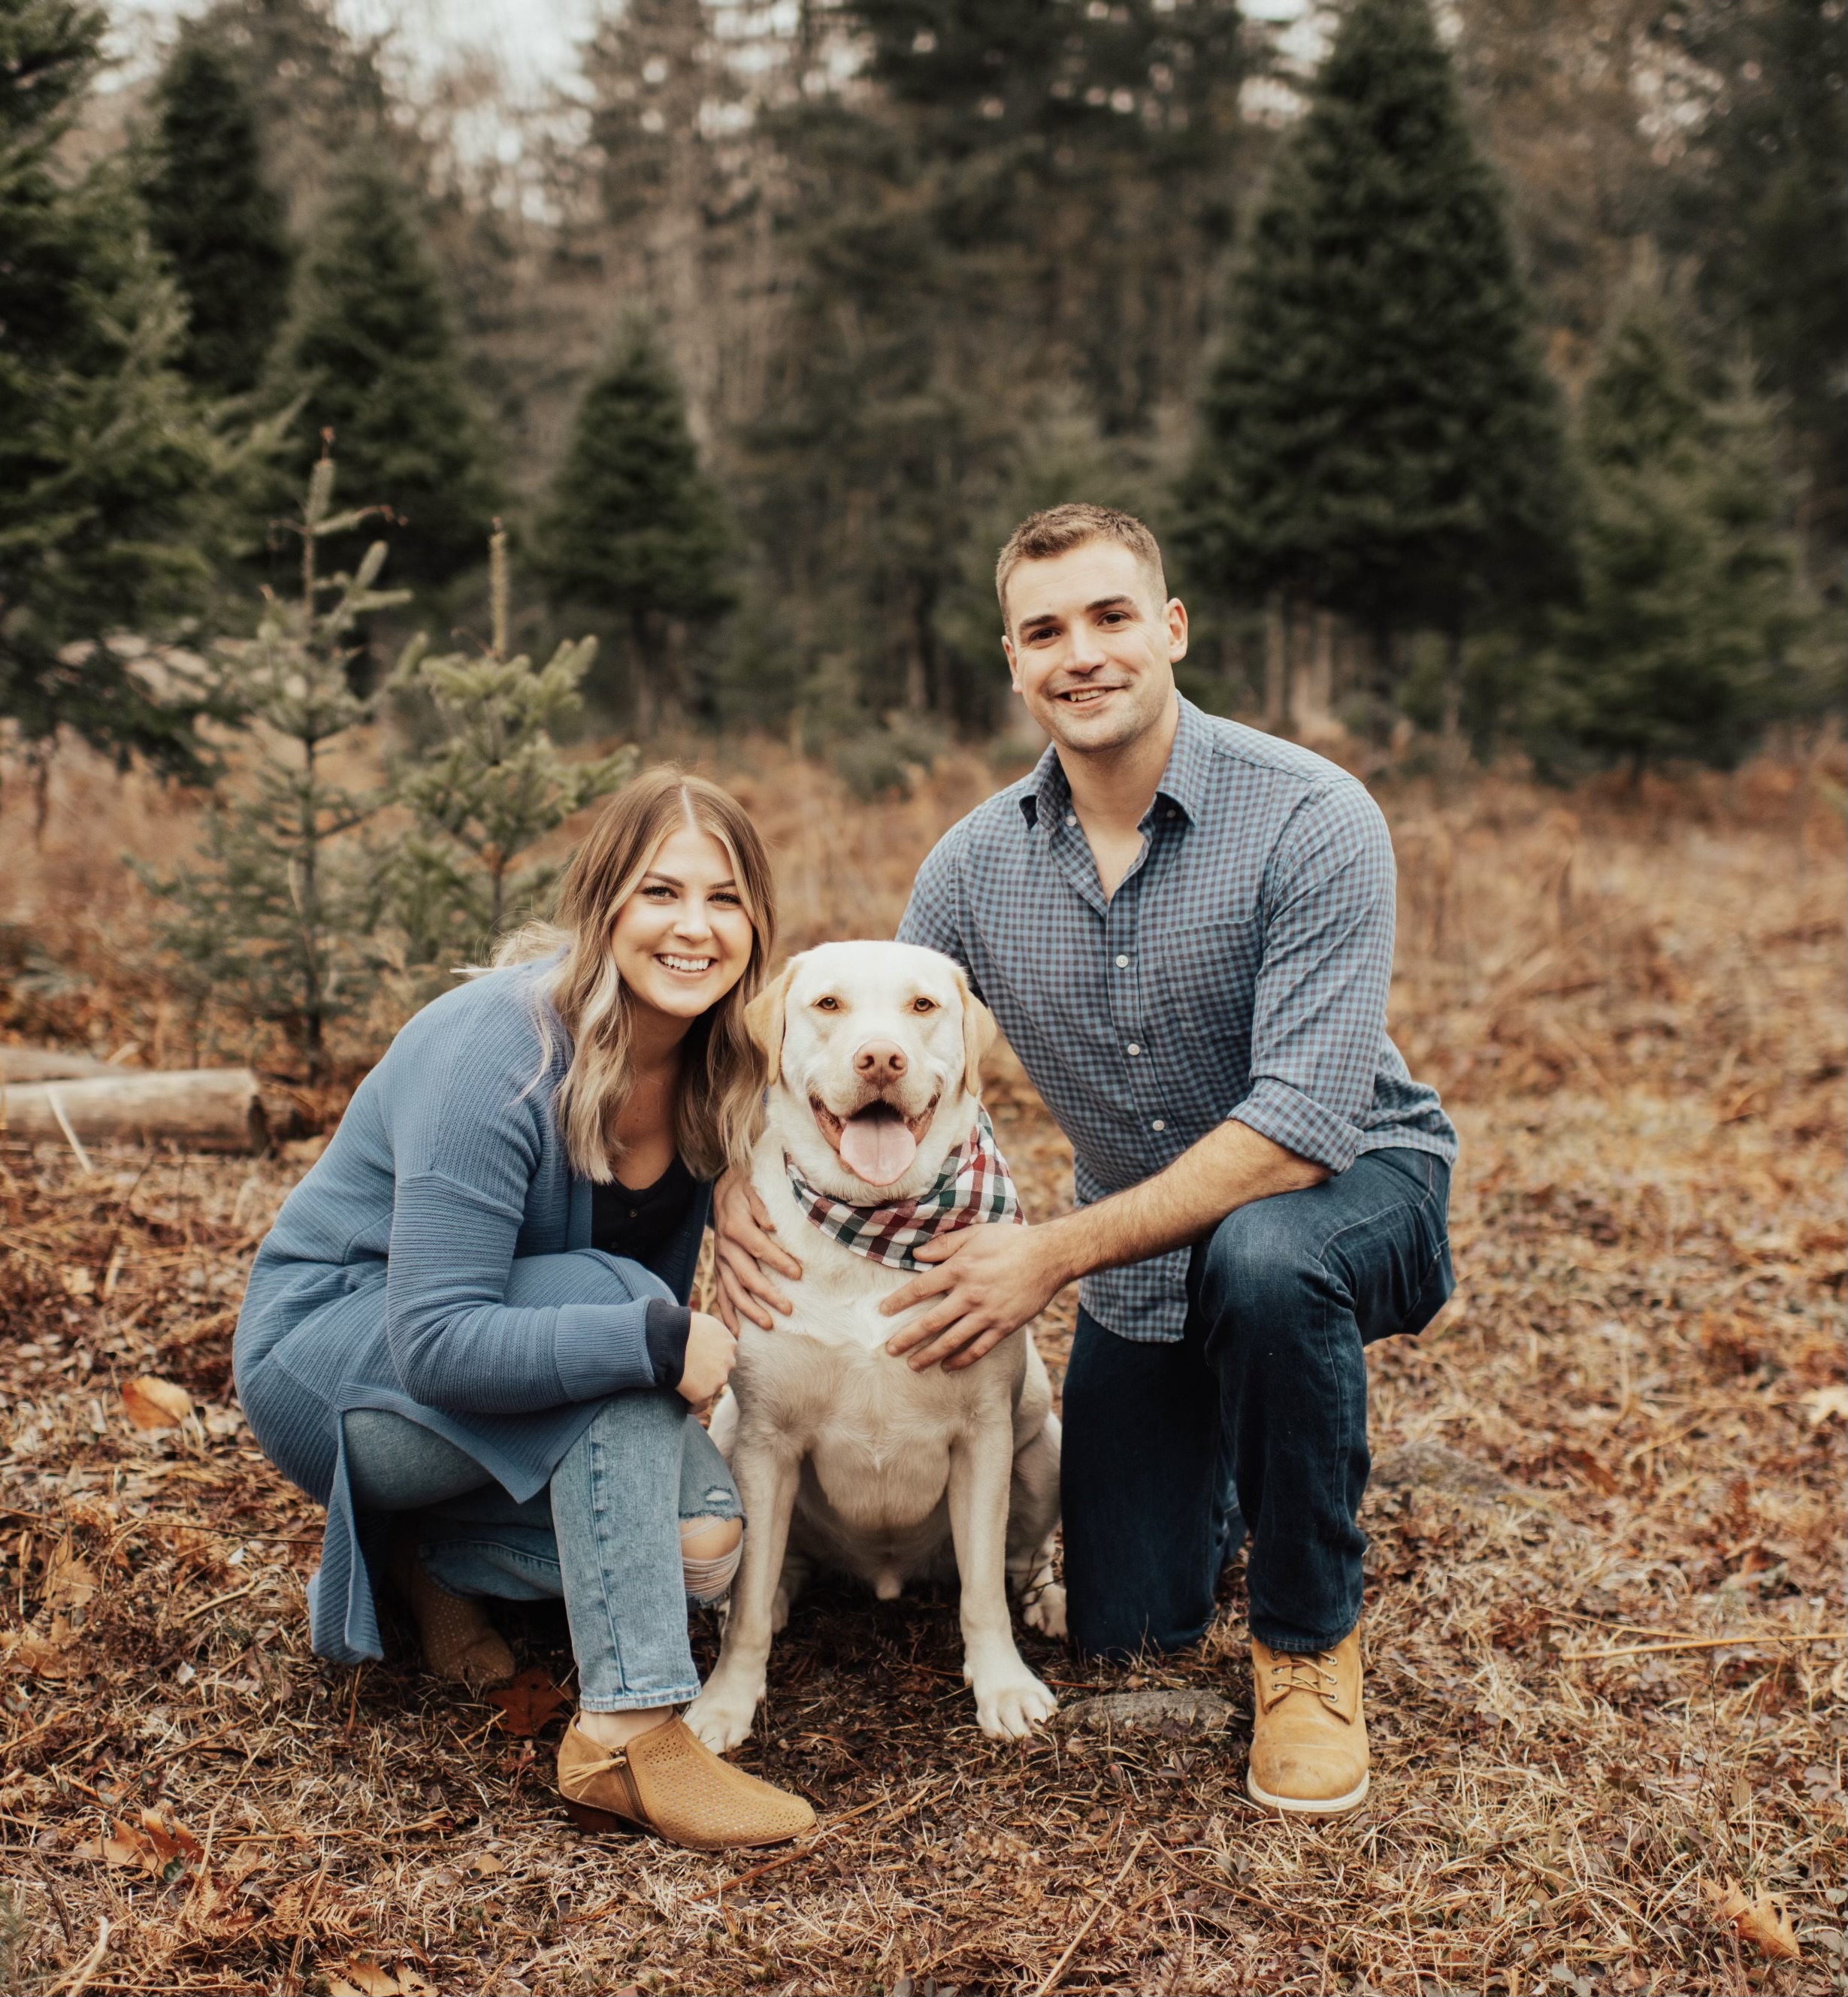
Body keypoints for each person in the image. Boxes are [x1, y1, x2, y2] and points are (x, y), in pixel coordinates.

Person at [715, 505, 1457, 1817]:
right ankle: (1249, 1434)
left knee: (1270, 1264)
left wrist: (1045, 1254)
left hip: (1350, 1191)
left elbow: (1298, 1127)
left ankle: (1307, 1644)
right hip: (1142, 1255)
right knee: (1123, 1621)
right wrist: (739, 1177)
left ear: (1170, 628)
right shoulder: (971, 867)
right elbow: (876, 1055)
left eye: (1113, 617)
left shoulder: (1312, 815)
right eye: (1046, 630)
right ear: (1014, 662)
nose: (1084, 653)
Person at [234, 770, 815, 1852]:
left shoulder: (713, 1063)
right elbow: (441, 1335)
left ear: (757, 922)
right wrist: (650, 1338)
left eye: (726, 898)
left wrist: (744, 1168)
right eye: (660, 892)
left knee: (702, 1545)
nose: (695, 926)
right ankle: (630, 1731)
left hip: (516, 1358)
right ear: (602, 906)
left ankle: (431, 1560)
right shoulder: (495, 1054)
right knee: (626, 1308)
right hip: (345, 1359)